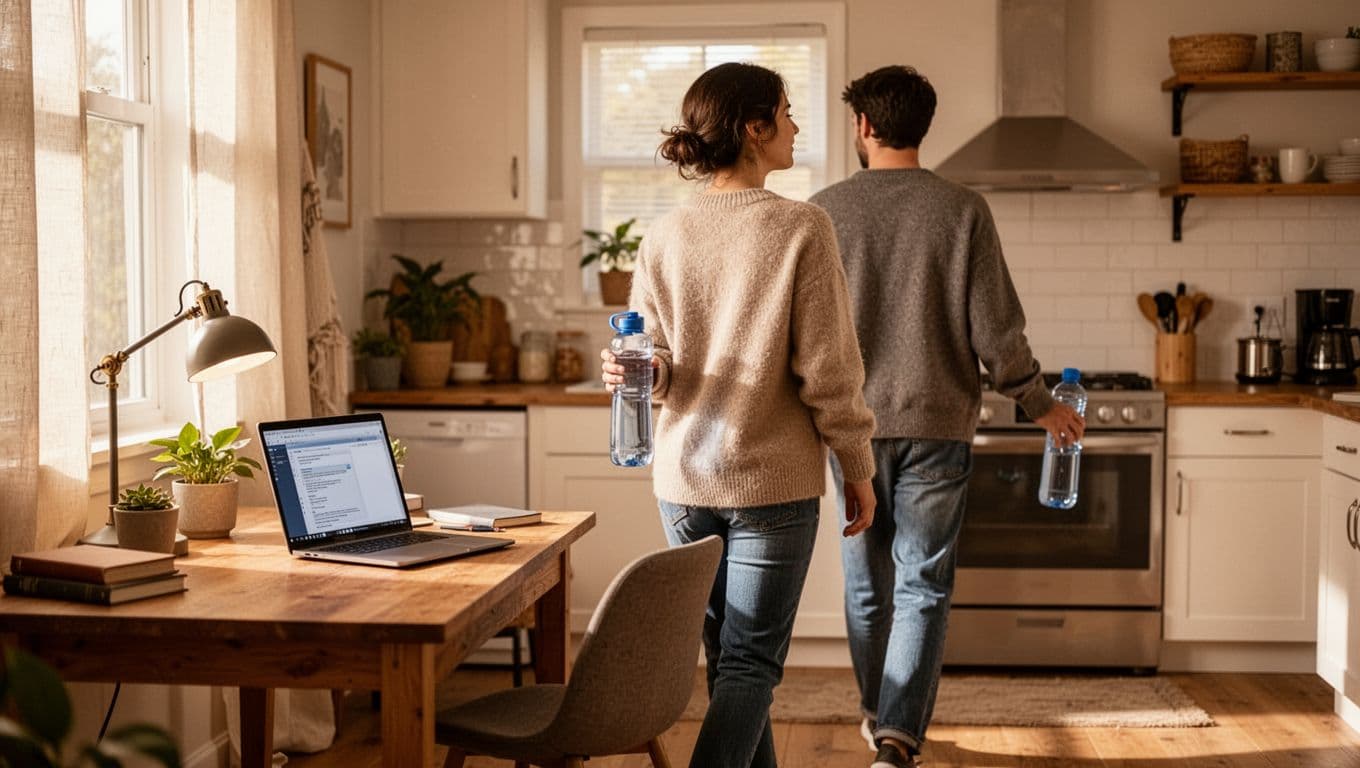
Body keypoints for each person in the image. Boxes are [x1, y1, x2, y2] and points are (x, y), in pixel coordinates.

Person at [599, 61, 879, 768]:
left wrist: (643, 372)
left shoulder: (663, 234)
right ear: (754, 129)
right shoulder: (801, 227)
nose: (794, 126)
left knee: (729, 663)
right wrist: (858, 466)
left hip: (684, 484)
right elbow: (830, 371)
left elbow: (660, 365)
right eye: (785, 113)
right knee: (750, 667)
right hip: (771, 484)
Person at [809, 65, 1086, 768]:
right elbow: (996, 332)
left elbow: (804, 333)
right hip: (938, 425)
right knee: (922, 583)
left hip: (853, 433)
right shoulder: (962, 210)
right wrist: (1039, 402)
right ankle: (899, 737)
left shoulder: (824, 211)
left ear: (863, 126)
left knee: (867, 588)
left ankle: (880, 717)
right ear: (920, 126)